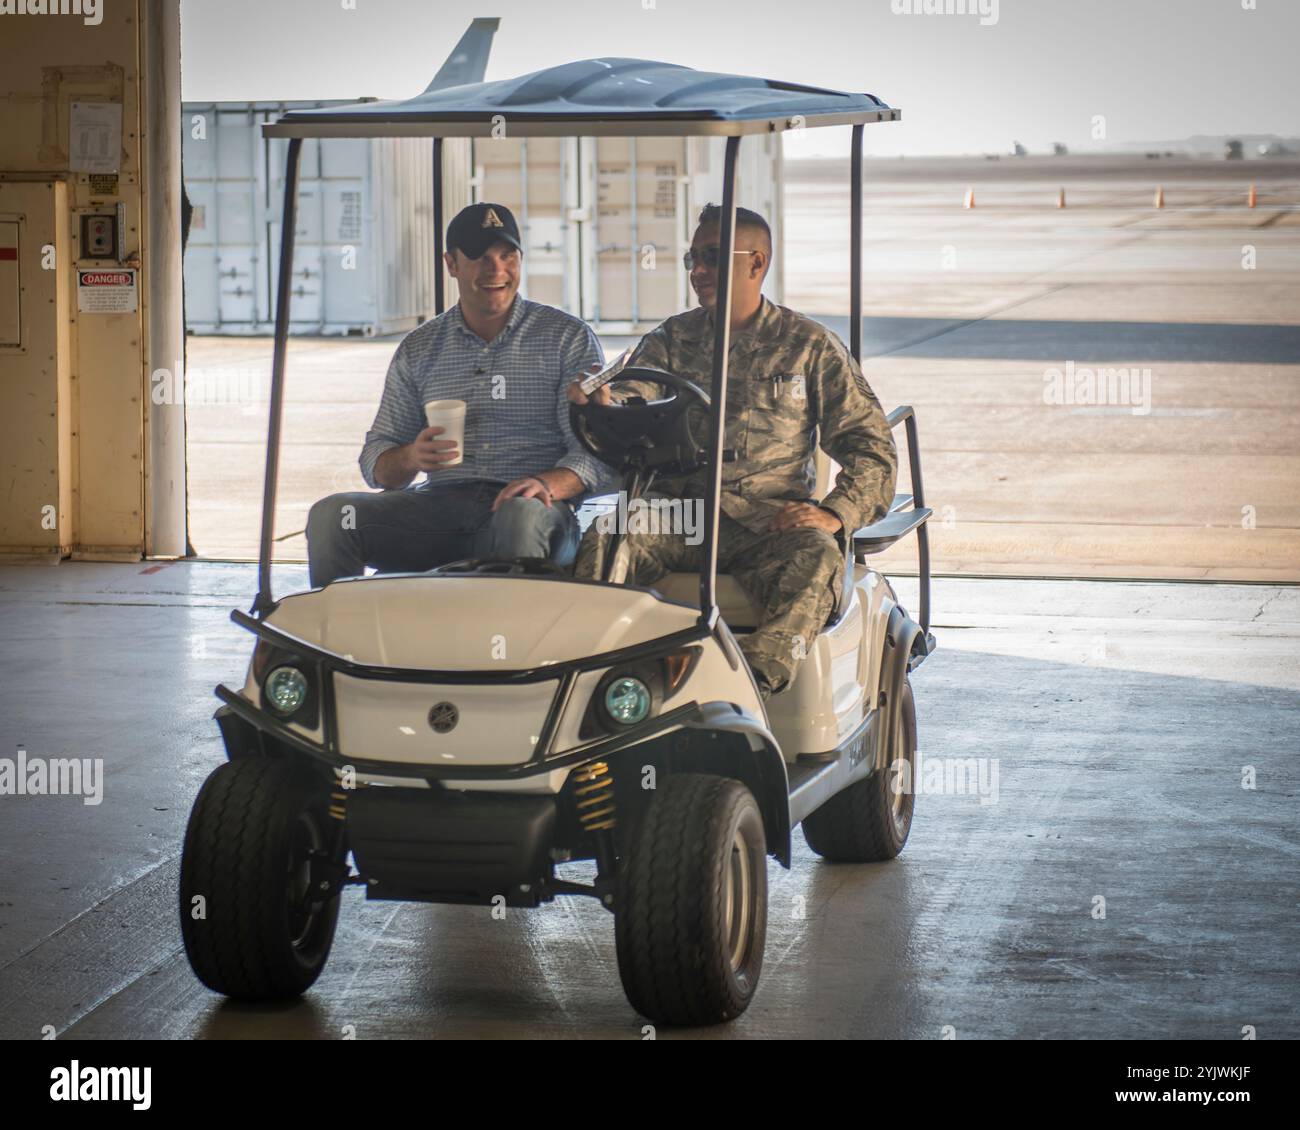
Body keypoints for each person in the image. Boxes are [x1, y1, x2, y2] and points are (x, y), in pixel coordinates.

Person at [569, 204, 897, 697]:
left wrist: (835, 514)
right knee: (610, 535)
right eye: (692, 258)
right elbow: (634, 395)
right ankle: (600, 682)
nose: (698, 270)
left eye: (713, 256)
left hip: (767, 523)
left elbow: (872, 449)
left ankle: (748, 688)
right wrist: (603, 401)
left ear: (756, 263)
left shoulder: (809, 347)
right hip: (683, 515)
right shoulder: (672, 339)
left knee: (817, 558)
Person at [306, 203, 616, 587]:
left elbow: (596, 453)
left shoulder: (566, 338)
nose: (496, 270)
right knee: (332, 515)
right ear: (451, 264)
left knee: (518, 516)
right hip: (440, 507)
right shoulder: (420, 348)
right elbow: (376, 460)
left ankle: (507, 641)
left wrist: (546, 484)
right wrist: (410, 456)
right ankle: (336, 640)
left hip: (535, 511)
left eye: (507, 256)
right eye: (479, 258)